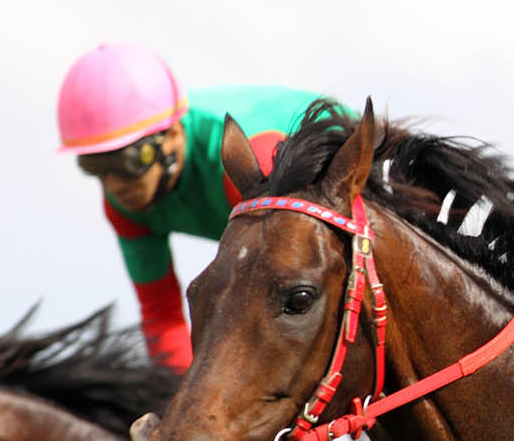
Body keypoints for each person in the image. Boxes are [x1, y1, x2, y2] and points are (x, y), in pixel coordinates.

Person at [57, 42, 330, 372]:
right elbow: (161, 314)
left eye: (130, 161)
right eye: (95, 167)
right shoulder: (123, 205)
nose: (115, 185)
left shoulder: (241, 160)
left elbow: (286, 289)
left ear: (173, 133)